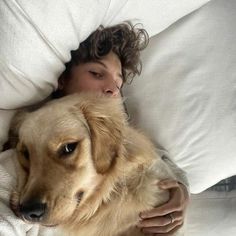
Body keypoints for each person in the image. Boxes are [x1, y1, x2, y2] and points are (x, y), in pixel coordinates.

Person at [54, 22, 190, 235]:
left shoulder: (121, 131)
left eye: (118, 84)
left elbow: (165, 162)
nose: (111, 90)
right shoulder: (41, 129)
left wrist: (180, 192)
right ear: (63, 79)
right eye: (97, 74)